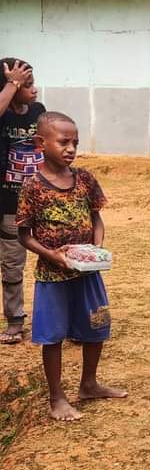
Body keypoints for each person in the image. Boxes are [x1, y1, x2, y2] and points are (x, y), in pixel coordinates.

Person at [16, 111, 127, 421]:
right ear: (41, 144)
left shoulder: (85, 179)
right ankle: (57, 397)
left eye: (75, 143)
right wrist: (54, 255)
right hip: (53, 275)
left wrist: (96, 247)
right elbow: (24, 234)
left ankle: (89, 384)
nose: (70, 149)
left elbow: (96, 218)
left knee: (97, 325)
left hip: (87, 272)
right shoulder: (32, 187)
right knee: (52, 335)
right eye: (63, 142)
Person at [0, 58, 45, 345]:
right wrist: (12, 84)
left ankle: (65, 318)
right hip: (8, 203)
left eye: (31, 82)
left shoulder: (38, 111)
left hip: (39, 199)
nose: (35, 90)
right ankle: (15, 320)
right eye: (26, 85)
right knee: (12, 264)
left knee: (57, 256)